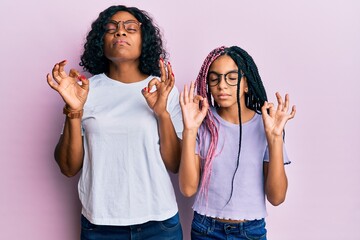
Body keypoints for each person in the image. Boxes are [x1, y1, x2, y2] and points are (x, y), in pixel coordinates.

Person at [46, 5, 183, 240]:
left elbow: (176, 164)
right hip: (100, 225)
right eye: (111, 28)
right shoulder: (85, 90)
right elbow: (68, 168)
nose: (120, 33)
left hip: (159, 224)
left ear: (145, 40)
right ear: (101, 42)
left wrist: (162, 113)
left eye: (130, 28)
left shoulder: (163, 89)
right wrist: (74, 111)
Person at [179, 46, 296, 239]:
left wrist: (275, 139)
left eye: (232, 78)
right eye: (214, 79)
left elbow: (277, 197)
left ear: (246, 85)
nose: (222, 86)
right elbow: (188, 188)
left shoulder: (267, 124)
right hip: (205, 229)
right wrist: (190, 130)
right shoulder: (201, 122)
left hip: (250, 231)